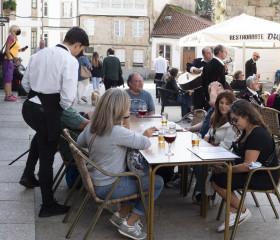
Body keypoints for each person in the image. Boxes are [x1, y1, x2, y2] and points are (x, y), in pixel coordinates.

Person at [20, 27, 89, 217]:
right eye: (80, 50)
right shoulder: (69, 60)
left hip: (29, 108)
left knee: (43, 140)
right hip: (47, 112)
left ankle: (28, 175)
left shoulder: (39, 54)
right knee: (47, 158)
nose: (79, 53)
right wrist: (60, 103)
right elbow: (67, 98)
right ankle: (48, 205)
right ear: (77, 44)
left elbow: (25, 84)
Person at [77, 89, 164, 240]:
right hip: (108, 187)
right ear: (120, 109)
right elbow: (145, 142)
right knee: (156, 182)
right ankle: (130, 224)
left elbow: (80, 143)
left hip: (95, 180)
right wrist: (126, 118)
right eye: (126, 107)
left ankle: (120, 215)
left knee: (138, 179)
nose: (128, 109)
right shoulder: (117, 132)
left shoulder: (92, 126)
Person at [211, 99, 279, 232]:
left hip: (263, 176)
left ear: (246, 116)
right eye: (232, 121)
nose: (234, 123)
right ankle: (234, 212)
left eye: (235, 120)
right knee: (217, 175)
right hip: (255, 171)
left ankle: (242, 211)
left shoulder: (257, 134)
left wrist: (225, 169)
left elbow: (248, 165)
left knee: (218, 180)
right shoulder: (247, 130)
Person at [192, 90, 237, 202]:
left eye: (227, 104)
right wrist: (201, 147)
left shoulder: (233, 123)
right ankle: (204, 188)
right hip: (213, 150)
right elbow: (208, 135)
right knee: (192, 158)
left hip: (225, 155)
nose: (223, 106)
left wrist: (205, 151)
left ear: (232, 105)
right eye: (221, 102)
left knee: (198, 164)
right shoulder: (216, 116)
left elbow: (226, 146)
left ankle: (203, 191)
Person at [3, 25, 27, 102]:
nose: (19, 31)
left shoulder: (15, 38)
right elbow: (7, 50)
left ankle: (10, 95)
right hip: (8, 60)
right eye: (18, 29)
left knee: (10, 79)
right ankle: (7, 96)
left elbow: (14, 49)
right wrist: (10, 60)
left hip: (12, 61)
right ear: (15, 30)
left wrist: (22, 50)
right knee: (7, 79)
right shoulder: (10, 37)